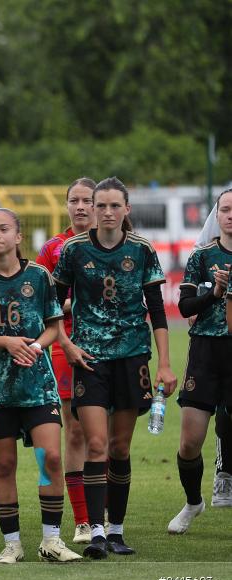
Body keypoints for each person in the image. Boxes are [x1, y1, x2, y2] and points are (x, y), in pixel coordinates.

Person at [52, 176, 177, 559]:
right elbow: (53, 306)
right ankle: (96, 532)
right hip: (89, 360)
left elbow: (156, 310)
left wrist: (166, 364)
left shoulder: (141, 250)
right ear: (91, 208)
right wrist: (68, 345)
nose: (105, 212)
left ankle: (118, 531)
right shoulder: (73, 250)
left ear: (127, 210)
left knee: (120, 447)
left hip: (132, 358)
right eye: (99, 205)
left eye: (113, 206)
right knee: (95, 444)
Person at [0, 208, 82, 563]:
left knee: (51, 457)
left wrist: (36, 346)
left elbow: (53, 325)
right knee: (4, 465)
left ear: (18, 236)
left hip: (37, 385)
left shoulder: (40, 276)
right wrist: (7, 343)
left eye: (3, 229)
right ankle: (12, 543)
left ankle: (52, 540)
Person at [34, 177, 96, 544]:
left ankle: (105, 514)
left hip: (108, 346)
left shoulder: (114, 246)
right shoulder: (53, 249)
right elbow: (45, 304)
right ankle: (83, 520)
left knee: (103, 435)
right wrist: (69, 308)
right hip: (63, 342)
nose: (82, 207)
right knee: (74, 430)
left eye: (88, 200)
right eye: (74, 200)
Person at [167, 189, 232, 533]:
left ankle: (226, 478)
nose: (230, 214)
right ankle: (193, 503)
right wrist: (215, 294)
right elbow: (186, 307)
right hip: (206, 352)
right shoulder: (203, 256)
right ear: (216, 215)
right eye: (225, 209)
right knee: (190, 441)